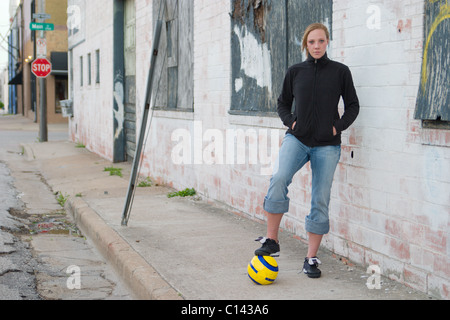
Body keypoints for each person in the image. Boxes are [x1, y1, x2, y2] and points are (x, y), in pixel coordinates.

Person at [254, 23, 360, 278]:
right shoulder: (295, 71)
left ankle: (311, 259)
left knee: (319, 197)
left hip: (327, 145)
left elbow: (353, 106)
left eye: (321, 41)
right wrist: (292, 122)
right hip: (297, 139)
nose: (316, 46)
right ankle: (272, 240)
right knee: (278, 178)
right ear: (305, 44)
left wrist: (337, 127)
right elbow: (282, 103)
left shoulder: (340, 72)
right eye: (311, 42)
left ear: (327, 43)